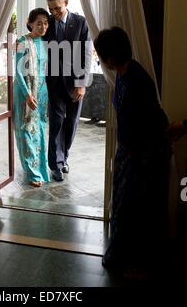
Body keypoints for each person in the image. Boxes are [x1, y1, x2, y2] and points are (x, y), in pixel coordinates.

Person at [94, 26, 171, 279]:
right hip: (131, 150)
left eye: (101, 55)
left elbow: (146, 124)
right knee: (124, 206)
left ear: (111, 57)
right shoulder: (124, 73)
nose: (100, 59)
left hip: (144, 154)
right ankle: (123, 256)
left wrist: (134, 158)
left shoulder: (136, 79)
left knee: (139, 209)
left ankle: (140, 265)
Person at [44, 0, 92, 182]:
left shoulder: (80, 22)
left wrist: (81, 84)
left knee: (71, 122)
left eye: (57, 8)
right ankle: (55, 164)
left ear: (66, 2)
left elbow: (86, 55)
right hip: (54, 82)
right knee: (56, 122)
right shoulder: (47, 22)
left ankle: (64, 158)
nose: (54, 12)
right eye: (51, 9)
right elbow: (33, 28)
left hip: (75, 83)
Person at [13, 8, 50, 187]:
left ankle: (41, 170)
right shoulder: (22, 41)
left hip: (42, 91)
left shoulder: (44, 42)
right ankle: (32, 173)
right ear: (30, 23)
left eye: (45, 23)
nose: (43, 26)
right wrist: (27, 94)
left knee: (40, 129)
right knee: (26, 129)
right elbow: (18, 71)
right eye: (39, 23)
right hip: (24, 91)